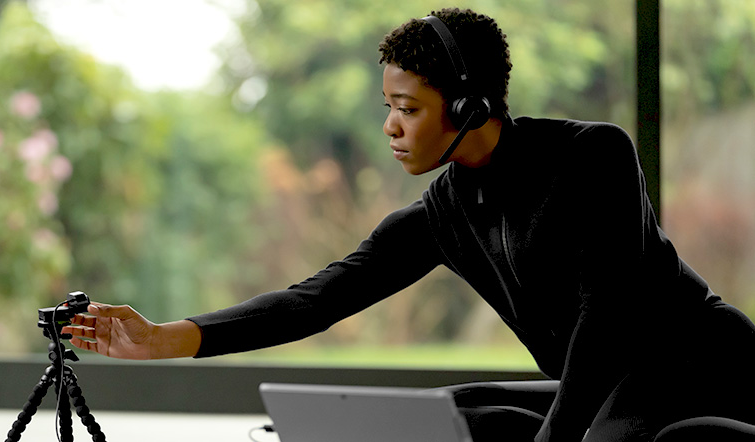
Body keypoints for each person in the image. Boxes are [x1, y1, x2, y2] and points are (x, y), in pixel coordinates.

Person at [63, 8, 755, 442]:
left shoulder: (590, 155)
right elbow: (321, 297)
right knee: (439, 415)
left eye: (409, 108)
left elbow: (606, 320)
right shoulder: (444, 213)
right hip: (601, 385)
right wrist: (167, 338)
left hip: (702, 370)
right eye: (388, 104)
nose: (391, 126)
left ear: (470, 105)